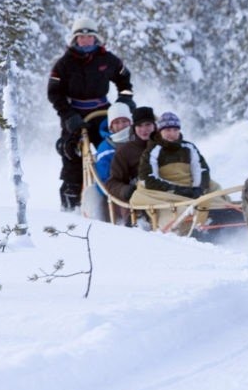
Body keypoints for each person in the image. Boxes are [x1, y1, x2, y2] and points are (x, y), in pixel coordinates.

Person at [48, 16, 134, 211]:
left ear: (96, 38)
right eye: (81, 37)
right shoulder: (64, 64)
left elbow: (124, 80)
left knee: (116, 149)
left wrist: (125, 100)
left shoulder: (107, 59)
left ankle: (122, 194)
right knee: (72, 157)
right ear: (75, 39)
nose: (85, 40)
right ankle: (71, 206)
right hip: (75, 117)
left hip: (103, 113)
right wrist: (68, 115)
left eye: (89, 37)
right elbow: (54, 93)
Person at [130, 112, 216, 231]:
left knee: (214, 187)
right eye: (168, 130)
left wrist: (199, 188)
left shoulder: (189, 147)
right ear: (160, 131)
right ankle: (183, 225)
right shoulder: (153, 150)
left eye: (175, 130)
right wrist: (178, 190)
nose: (172, 134)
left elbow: (201, 169)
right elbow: (148, 177)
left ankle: (220, 213)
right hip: (166, 194)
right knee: (170, 209)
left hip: (190, 187)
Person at [105, 106, 157, 224]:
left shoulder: (165, 145)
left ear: (154, 125)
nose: (144, 129)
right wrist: (126, 191)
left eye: (148, 125)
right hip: (140, 198)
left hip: (168, 193)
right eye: (139, 125)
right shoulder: (125, 152)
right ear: (134, 127)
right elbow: (112, 183)